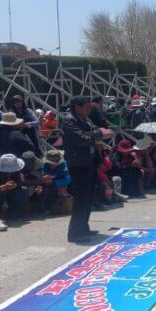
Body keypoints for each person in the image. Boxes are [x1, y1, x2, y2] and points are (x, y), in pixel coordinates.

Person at [61, 96, 101, 243]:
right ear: (77, 107)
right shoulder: (69, 120)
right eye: (87, 107)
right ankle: (75, 233)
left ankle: (83, 226)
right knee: (81, 199)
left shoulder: (86, 120)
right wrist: (90, 135)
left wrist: (90, 134)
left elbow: (99, 133)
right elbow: (81, 140)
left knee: (88, 197)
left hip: (90, 161)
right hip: (78, 164)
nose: (89, 110)